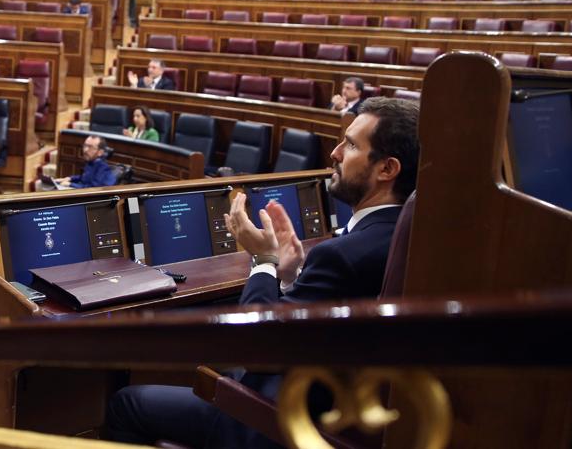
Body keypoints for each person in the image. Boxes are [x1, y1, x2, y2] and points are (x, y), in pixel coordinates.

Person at [105, 97, 421, 448]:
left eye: (350, 144)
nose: (333, 153)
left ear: (387, 169)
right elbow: (321, 325)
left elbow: (256, 345)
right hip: (343, 408)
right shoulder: (410, 237)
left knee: (126, 403)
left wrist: (263, 260)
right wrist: (289, 276)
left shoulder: (342, 255)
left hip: (282, 420)